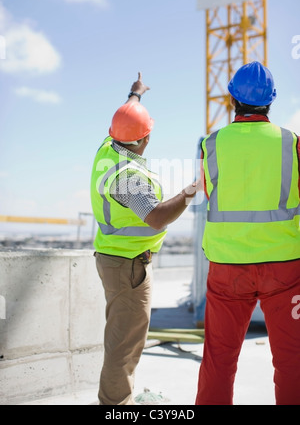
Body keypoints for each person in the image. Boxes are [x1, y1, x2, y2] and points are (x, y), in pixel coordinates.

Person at [90, 72, 202, 405]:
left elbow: (126, 114)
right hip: (128, 267)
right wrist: (190, 190)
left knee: (124, 340)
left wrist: (135, 94)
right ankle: (116, 408)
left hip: (116, 259)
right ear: (146, 138)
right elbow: (155, 218)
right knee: (124, 346)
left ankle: (118, 398)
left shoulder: (107, 147)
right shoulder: (128, 178)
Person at [195, 61, 300, 405]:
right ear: (271, 101)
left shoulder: (211, 145)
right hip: (285, 267)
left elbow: (212, 195)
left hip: (228, 266)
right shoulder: (291, 143)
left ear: (232, 99)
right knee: (292, 360)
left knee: (219, 360)